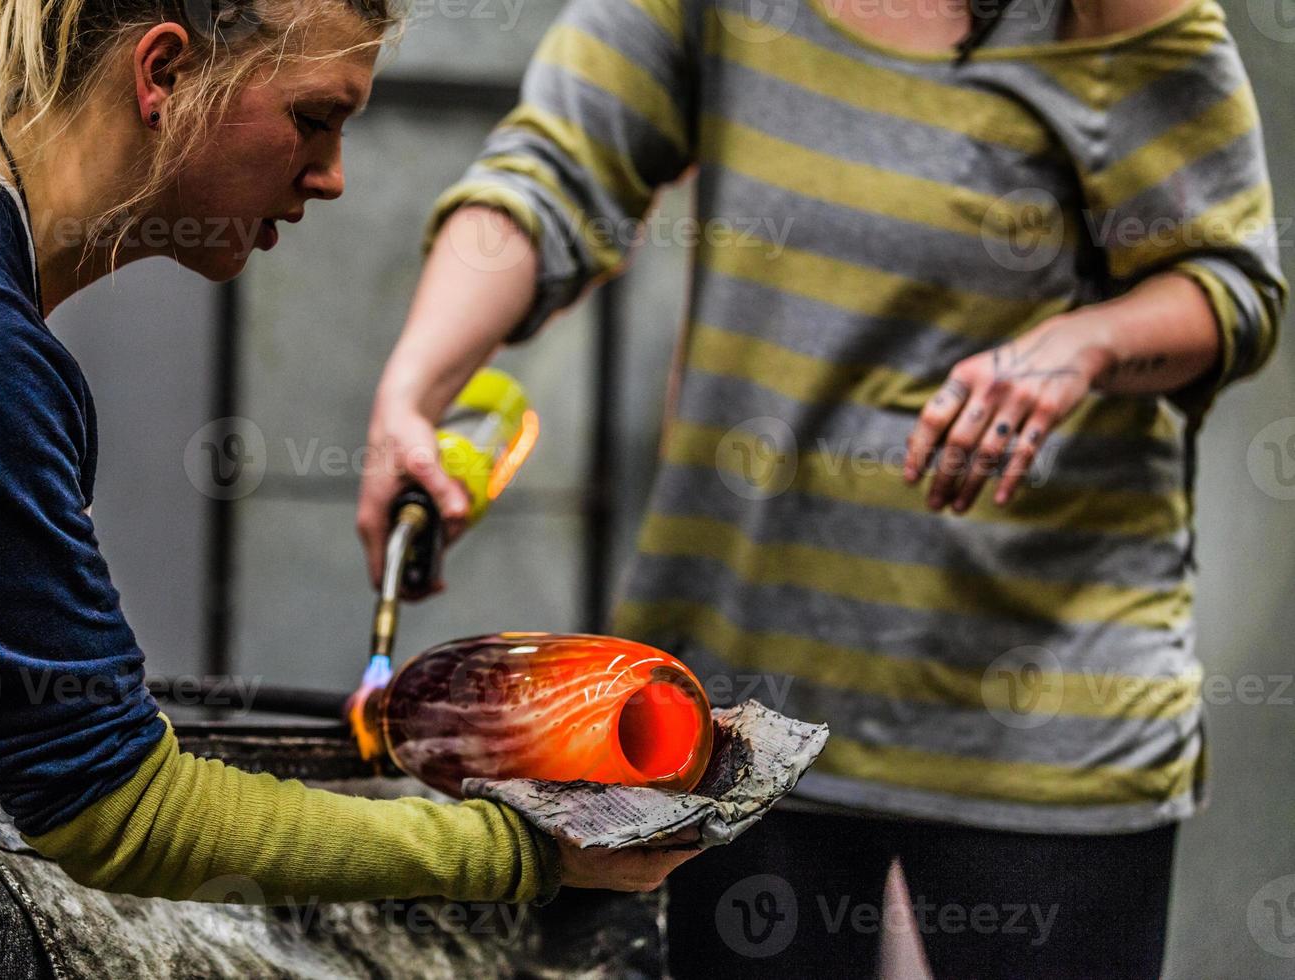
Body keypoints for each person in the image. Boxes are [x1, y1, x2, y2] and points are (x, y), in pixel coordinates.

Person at [357, 0, 1286, 976]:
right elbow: (551, 171)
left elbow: (1229, 282)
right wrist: (410, 390)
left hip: (1043, 710)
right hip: (740, 713)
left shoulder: (1116, 14)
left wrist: (1086, 344)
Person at [0, 3, 691, 977]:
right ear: (163, 75)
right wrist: (524, 852)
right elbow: (122, 812)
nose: (332, 175)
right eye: (313, 119)